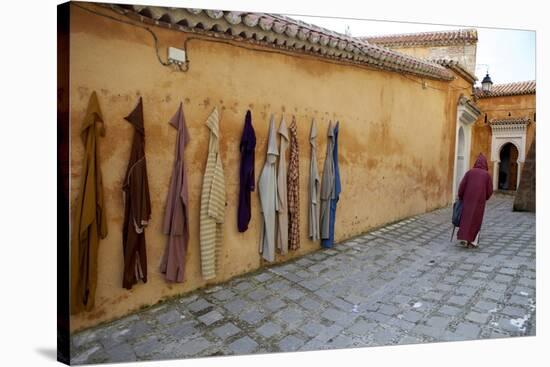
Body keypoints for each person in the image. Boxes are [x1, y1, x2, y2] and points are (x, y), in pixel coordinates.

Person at [456, 153, 493, 248]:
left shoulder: (469, 172)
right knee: (476, 220)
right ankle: (473, 242)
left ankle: (464, 239)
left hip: (467, 200)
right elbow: (490, 190)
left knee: (466, 218)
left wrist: (460, 197)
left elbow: (462, 186)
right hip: (479, 202)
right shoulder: (487, 175)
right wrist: (485, 198)